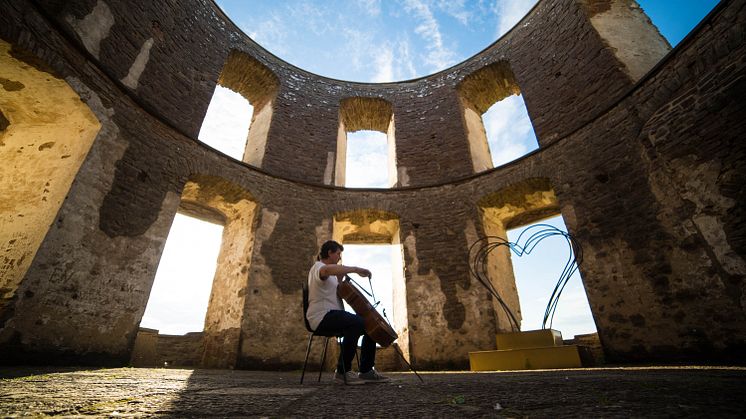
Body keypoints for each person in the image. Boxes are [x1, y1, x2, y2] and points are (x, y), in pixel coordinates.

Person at [307, 240, 389, 384]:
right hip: (321, 317)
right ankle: (342, 371)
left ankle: (366, 371)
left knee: (369, 323)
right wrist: (356, 269)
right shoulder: (318, 267)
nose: (339, 257)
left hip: (333, 316)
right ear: (329, 253)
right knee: (357, 322)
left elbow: (336, 290)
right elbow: (326, 271)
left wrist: (340, 279)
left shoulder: (332, 275)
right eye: (338, 253)